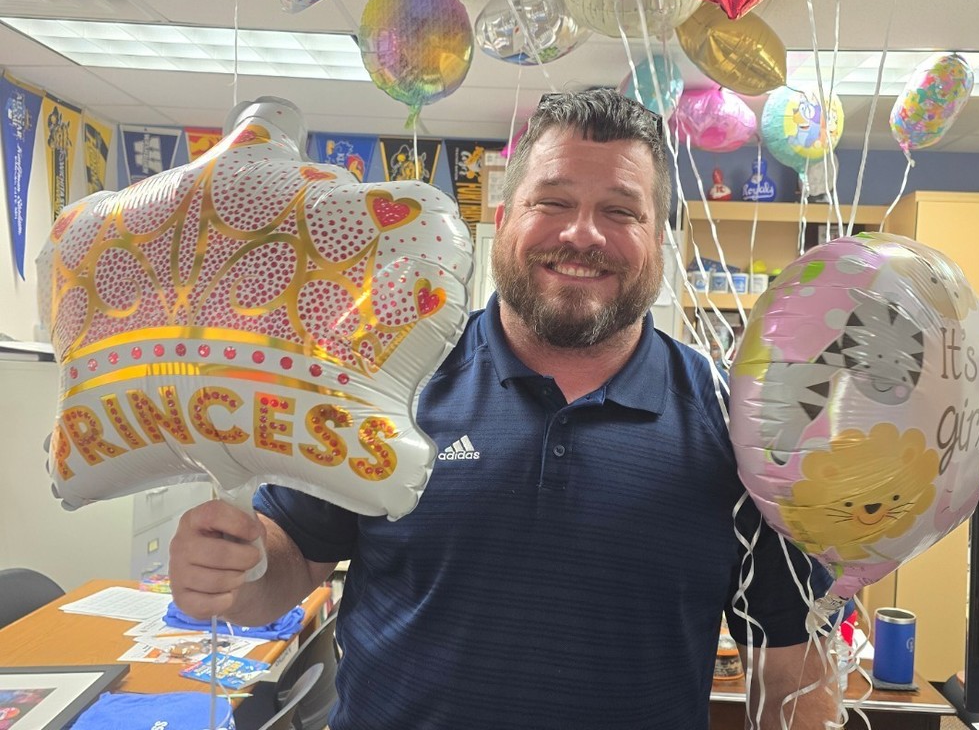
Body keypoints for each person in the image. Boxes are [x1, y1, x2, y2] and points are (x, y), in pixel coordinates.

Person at [169, 89, 837, 730]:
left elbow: (790, 664)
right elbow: (288, 566)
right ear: (503, 216)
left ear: (660, 239)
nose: (583, 234)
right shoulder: (385, 379)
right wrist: (237, 566)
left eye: (621, 211)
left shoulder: (740, 423)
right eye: (552, 201)